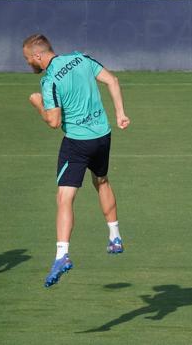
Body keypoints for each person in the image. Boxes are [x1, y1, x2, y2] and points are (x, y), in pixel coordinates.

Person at [22, 34, 131, 287]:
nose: (29, 63)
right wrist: (121, 114)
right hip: (103, 135)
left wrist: (37, 104)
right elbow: (112, 80)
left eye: (28, 59)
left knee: (64, 198)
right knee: (101, 181)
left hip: (77, 143)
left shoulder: (49, 81)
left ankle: (62, 255)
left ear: (38, 56)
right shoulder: (80, 58)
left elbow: (54, 122)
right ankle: (114, 235)